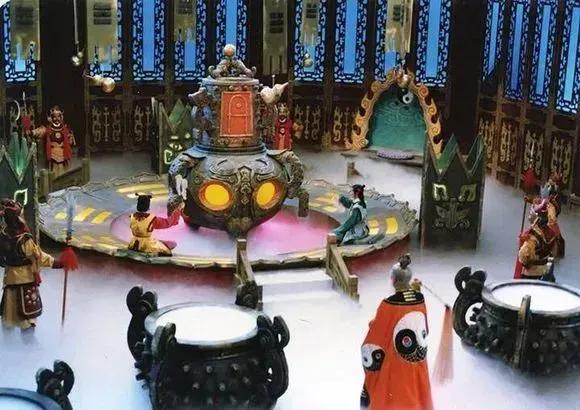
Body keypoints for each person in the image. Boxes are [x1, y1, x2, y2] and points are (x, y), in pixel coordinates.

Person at [361, 255, 433, 410]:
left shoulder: (389, 303)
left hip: (396, 362)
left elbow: (377, 334)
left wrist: (372, 324)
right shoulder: (420, 298)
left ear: (393, 280)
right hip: (417, 356)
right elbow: (425, 328)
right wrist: (416, 289)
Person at [0, 199, 62, 329]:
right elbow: (38, 257)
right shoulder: (24, 239)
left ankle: (9, 342)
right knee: (27, 322)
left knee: (9, 321)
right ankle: (28, 341)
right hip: (25, 284)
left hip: (10, 282)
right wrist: (58, 263)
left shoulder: (2, 236)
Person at [516, 200, 556, 281]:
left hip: (532, 273)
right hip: (545, 270)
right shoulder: (552, 232)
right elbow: (554, 252)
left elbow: (524, 255)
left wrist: (521, 246)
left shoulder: (532, 235)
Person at [30, 105, 76, 177]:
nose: (57, 119)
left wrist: (70, 138)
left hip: (63, 154)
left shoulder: (65, 129)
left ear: (61, 117)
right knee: (53, 174)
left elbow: (71, 141)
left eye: (58, 117)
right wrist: (31, 132)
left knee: (64, 175)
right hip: (52, 155)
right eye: (54, 117)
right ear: (51, 118)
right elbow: (39, 131)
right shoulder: (48, 129)